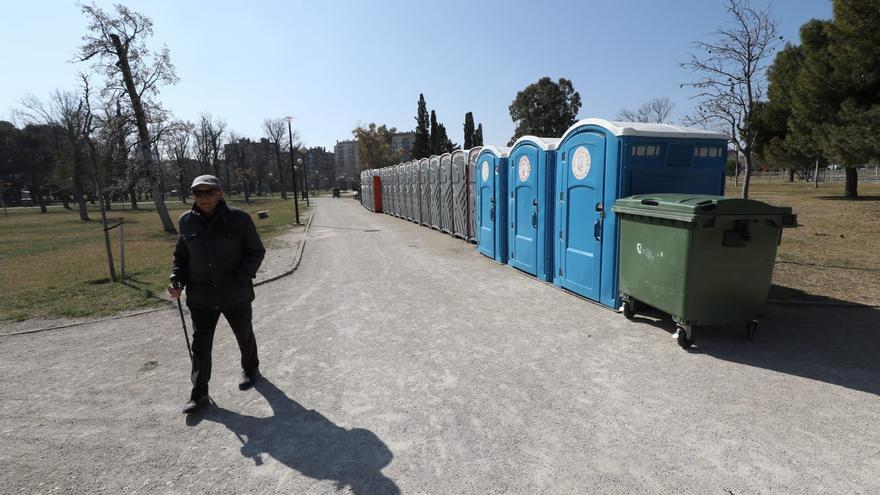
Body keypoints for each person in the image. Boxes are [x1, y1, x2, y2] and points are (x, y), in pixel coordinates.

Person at [168, 175, 266, 414]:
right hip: (201, 296)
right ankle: (199, 392)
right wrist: (176, 279)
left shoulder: (239, 219)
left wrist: (241, 277)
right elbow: (181, 257)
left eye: (209, 192)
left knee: (244, 334)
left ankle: (250, 368)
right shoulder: (186, 221)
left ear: (220, 193)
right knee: (201, 346)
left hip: (235, 293)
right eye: (198, 193)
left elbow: (255, 251)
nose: (204, 198)